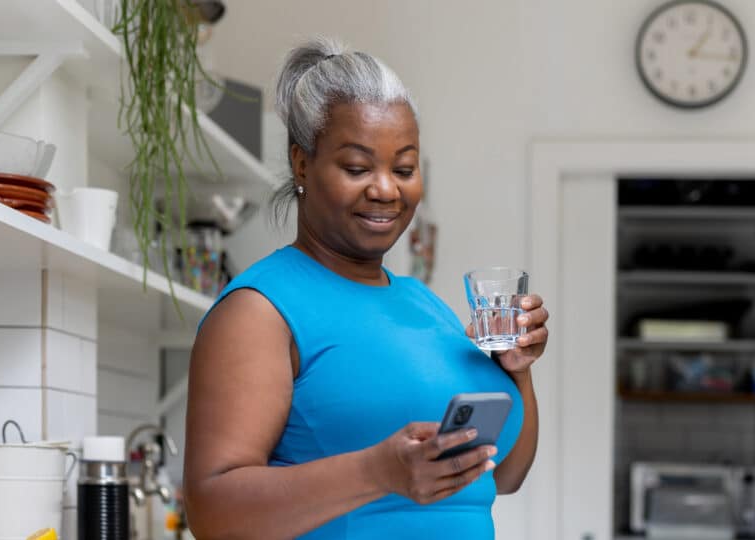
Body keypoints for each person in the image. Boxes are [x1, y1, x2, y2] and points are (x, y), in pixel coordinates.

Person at [183, 37, 549, 539]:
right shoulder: (260, 311)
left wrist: (518, 373)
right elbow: (211, 513)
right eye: (357, 168)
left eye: (404, 169)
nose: (385, 188)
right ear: (302, 164)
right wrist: (377, 473)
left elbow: (505, 475)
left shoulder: (428, 306)